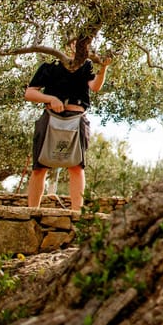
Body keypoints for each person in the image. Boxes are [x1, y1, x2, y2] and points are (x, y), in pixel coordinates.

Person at [24, 46, 111, 212]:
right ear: (66, 43)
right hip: (50, 117)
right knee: (39, 167)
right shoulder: (50, 65)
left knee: (77, 167)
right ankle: (31, 212)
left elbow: (95, 87)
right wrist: (50, 98)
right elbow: (30, 93)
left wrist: (104, 68)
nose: (76, 46)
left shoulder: (88, 65)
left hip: (77, 119)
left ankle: (76, 214)